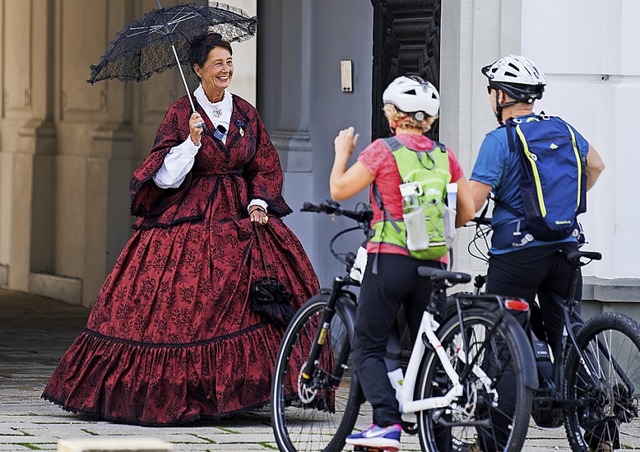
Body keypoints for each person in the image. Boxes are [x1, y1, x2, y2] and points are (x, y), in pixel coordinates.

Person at [42, 32, 319, 426]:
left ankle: (250, 388)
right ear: (197, 69)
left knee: (259, 298)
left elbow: (264, 164)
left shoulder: (245, 112)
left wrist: (258, 202)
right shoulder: (180, 114)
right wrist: (190, 142)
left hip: (241, 213)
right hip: (190, 214)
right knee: (184, 302)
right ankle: (187, 395)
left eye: (229, 61)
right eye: (218, 63)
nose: (226, 70)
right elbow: (164, 177)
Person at [469, 55, 606, 451]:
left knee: (502, 337)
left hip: (517, 254)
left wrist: (459, 214)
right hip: (566, 246)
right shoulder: (562, 128)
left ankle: (495, 440)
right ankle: (599, 433)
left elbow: (474, 199)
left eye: (491, 92)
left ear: (501, 96)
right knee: (571, 333)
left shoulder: (501, 139)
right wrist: (562, 207)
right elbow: (595, 166)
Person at [330, 76, 475, 450]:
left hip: (390, 259)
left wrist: (341, 152)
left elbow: (339, 190)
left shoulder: (384, 150)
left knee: (368, 345)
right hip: (435, 265)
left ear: (394, 115)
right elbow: (468, 211)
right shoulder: (445, 155)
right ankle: (439, 439)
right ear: (429, 119)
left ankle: (386, 423)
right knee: (432, 353)